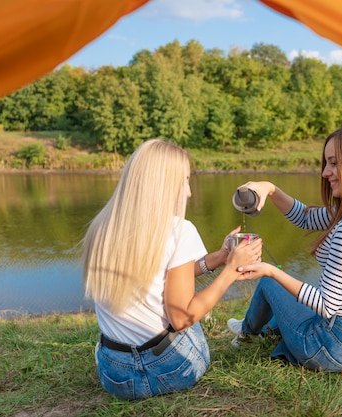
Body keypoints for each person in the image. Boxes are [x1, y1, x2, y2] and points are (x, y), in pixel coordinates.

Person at [82, 139, 263, 400]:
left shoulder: (103, 226)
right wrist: (231, 271)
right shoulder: (179, 229)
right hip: (171, 370)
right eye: (185, 181)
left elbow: (155, 278)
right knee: (193, 319)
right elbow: (181, 318)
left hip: (115, 375)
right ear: (163, 184)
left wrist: (218, 258)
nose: (189, 192)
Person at [228, 124, 342, 375]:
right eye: (326, 163)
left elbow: (326, 305)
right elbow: (305, 217)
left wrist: (270, 271)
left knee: (270, 284)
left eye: (333, 163)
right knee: (290, 299)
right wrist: (270, 189)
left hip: (340, 347)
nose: (325, 172)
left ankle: (246, 333)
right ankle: (259, 328)